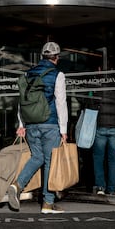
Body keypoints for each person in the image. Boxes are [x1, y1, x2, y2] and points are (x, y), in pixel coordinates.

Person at [8, 42, 68, 214]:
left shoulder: (28, 74)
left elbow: (22, 100)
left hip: (31, 124)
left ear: (43, 56)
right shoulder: (58, 74)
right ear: (56, 58)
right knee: (50, 161)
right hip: (50, 124)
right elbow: (61, 102)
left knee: (37, 157)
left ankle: (17, 185)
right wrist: (63, 130)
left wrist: (21, 124)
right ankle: (48, 203)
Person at [91, 80, 115, 197]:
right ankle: (111, 189)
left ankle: (100, 186)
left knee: (98, 158)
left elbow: (90, 106)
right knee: (113, 159)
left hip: (101, 126)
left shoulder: (98, 91)